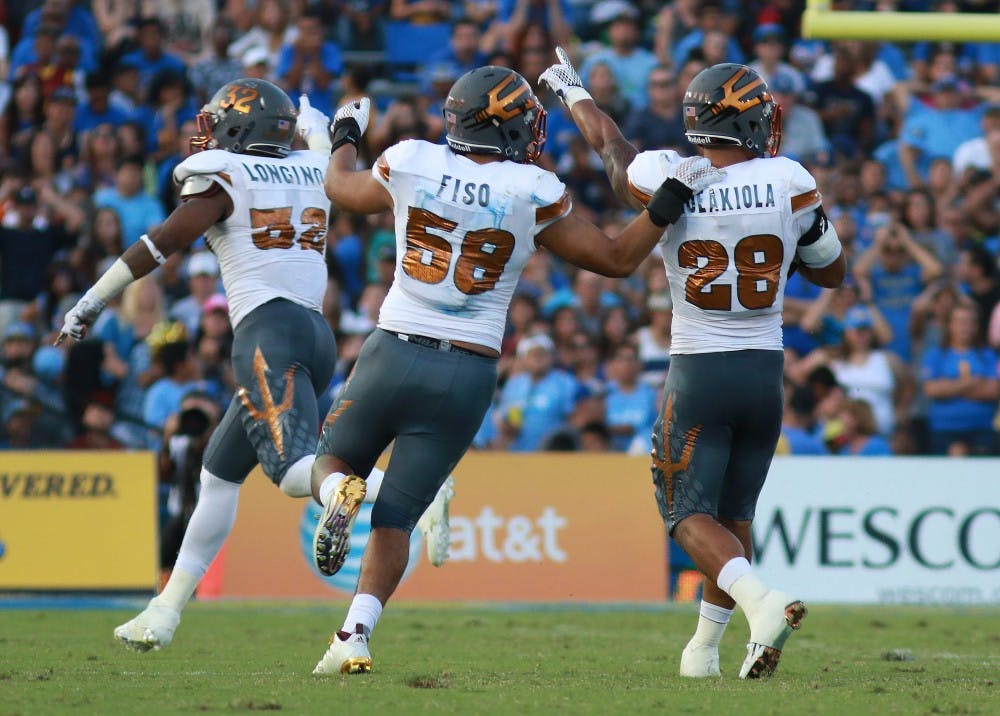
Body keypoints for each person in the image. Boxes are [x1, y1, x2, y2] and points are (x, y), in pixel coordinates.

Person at [295, 64, 711, 675]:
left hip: (395, 347)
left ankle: (340, 493)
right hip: (468, 370)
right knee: (399, 517)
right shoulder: (531, 188)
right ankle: (354, 634)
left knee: (330, 461)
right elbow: (617, 258)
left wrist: (344, 135)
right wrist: (668, 200)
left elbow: (340, 187)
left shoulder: (411, 159)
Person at [56, 78, 453, 654]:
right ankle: (164, 611)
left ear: (239, 127)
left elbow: (161, 242)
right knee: (217, 475)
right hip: (314, 334)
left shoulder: (225, 174)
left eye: (218, 122)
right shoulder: (316, 167)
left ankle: (401, 489)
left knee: (293, 473)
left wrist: (91, 301)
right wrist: (324, 129)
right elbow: (330, 153)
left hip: (266, 331)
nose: (209, 132)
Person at [540, 51, 846, 679]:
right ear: (750, 121)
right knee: (734, 516)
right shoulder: (789, 178)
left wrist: (573, 92)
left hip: (700, 367)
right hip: (764, 369)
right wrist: (784, 250)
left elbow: (612, 149)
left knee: (684, 515)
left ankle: (761, 603)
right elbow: (832, 271)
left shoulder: (667, 173)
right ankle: (704, 650)